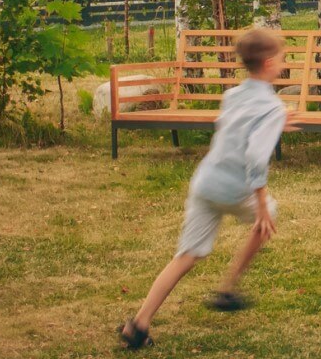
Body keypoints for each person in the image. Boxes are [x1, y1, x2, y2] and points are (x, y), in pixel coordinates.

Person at [120, 30, 293, 349]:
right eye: (282, 59)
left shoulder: (233, 95)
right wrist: (261, 205)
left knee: (186, 255)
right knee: (268, 215)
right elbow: (256, 157)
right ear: (269, 63)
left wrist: (276, 123)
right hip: (235, 188)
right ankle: (227, 288)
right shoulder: (273, 107)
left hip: (206, 182)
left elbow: (235, 128)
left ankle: (139, 323)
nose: (283, 63)